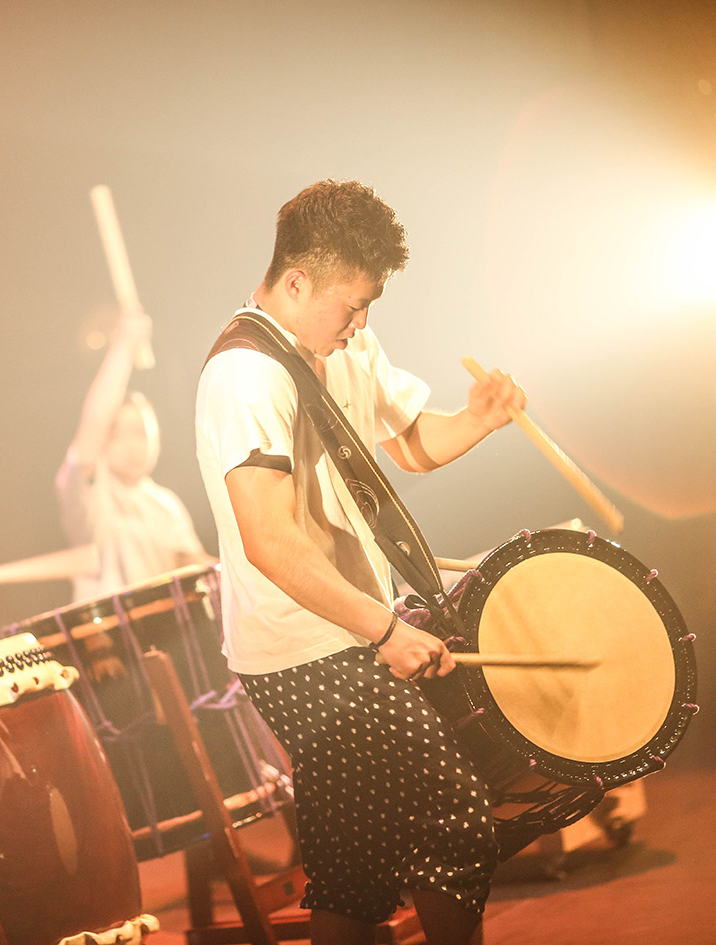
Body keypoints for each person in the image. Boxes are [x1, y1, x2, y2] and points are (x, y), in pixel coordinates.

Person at [194, 179, 526, 945]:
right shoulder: (244, 376)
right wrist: (385, 630)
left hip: (348, 628)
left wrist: (476, 419)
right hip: (300, 647)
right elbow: (269, 540)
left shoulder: (344, 344)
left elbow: (410, 445)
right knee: (456, 823)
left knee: (355, 865)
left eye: (369, 304)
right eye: (351, 305)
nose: (361, 323)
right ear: (296, 282)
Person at [56, 309, 212, 602]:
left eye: (140, 433)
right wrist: (123, 348)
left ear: (158, 439)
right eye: (118, 434)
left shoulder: (166, 504)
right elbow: (94, 426)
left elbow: (194, 565)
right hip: (108, 627)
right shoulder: (91, 495)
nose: (131, 445)